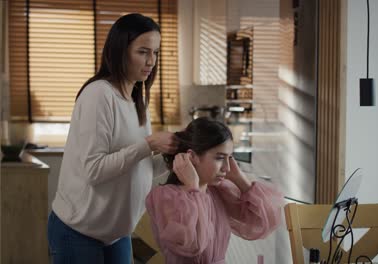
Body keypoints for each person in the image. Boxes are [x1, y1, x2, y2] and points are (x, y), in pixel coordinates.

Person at [47, 13, 178, 264]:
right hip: (79, 232)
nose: (151, 61)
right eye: (143, 52)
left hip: (117, 235)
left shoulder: (135, 98)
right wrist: (149, 145)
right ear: (120, 51)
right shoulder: (99, 95)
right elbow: (94, 170)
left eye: (156, 52)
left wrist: (175, 155)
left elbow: (141, 166)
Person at [145, 117, 284, 264]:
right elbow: (194, 246)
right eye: (219, 158)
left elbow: (265, 221)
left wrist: (240, 179)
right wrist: (193, 187)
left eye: (229, 158)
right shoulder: (167, 197)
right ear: (192, 156)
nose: (227, 168)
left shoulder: (218, 191)